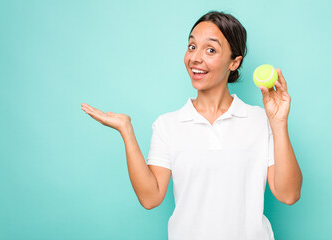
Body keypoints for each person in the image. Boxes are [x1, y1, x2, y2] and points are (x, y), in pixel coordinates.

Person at [81, 10, 302, 240]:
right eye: (192, 46)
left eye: (211, 50)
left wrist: (278, 124)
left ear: (234, 62)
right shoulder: (167, 125)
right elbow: (150, 198)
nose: (195, 58)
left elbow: (289, 194)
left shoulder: (259, 120)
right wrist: (126, 130)